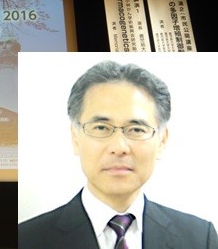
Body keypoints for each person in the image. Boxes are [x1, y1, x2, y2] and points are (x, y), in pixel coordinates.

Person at [18, 59, 218, 249]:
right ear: (75, 137)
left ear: (162, 140)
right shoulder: (25, 239)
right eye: (101, 128)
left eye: (136, 129)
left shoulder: (201, 238)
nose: (119, 147)